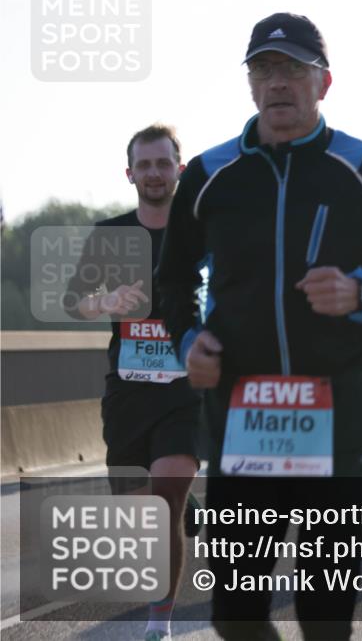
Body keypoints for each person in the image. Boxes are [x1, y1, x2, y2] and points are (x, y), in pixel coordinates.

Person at [156, 13, 362, 641]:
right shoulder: (209, 176)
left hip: (337, 415)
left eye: (292, 69)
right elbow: (171, 281)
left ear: (324, 82)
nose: (277, 83)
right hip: (242, 416)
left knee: (324, 613)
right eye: (263, 69)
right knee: (235, 614)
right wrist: (187, 341)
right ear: (250, 85)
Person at [64, 124, 200, 641]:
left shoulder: (202, 231)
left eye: (163, 163)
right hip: (128, 389)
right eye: (144, 165)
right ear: (130, 174)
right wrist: (104, 301)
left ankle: (158, 623)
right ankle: (186, 513)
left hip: (186, 389)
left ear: (178, 170)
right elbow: (74, 300)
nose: (154, 173)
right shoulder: (110, 235)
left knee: (166, 496)